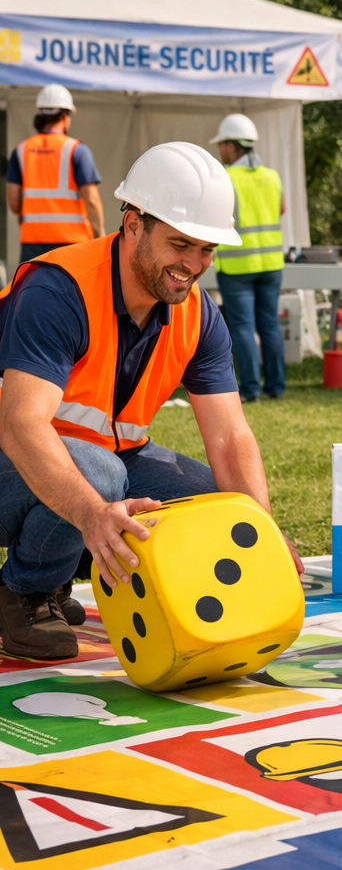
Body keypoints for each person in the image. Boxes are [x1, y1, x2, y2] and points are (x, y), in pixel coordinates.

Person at [0, 141, 303, 661]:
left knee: (220, 508)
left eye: (206, 249)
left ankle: (64, 564)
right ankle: (25, 591)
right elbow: (21, 426)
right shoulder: (60, 290)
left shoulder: (198, 314)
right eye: (180, 243)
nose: (193, 264)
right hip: (18, 457)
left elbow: (230, 437)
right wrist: (94, 514)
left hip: (104, 461)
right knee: (101, 477)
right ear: (133, 225)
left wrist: (262, 532)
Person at [211, 114, 287, 403]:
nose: (220, 150)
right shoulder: (273, 176)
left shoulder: (227, 178)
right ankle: (276, 387)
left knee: (242, 327)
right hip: (271, 264)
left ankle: (251, 389)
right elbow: (281, 209)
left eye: (221, 145)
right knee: (269, 324)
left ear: (231, 146)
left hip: (237, 264)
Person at [6, 84, 104, 265]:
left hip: (32, 241)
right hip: (72, 243)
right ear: (66, 116)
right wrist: (99, 234)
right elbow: (91, 200)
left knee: (33, 284)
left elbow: (13, 203)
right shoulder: (77, 150)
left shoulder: (20, 150)